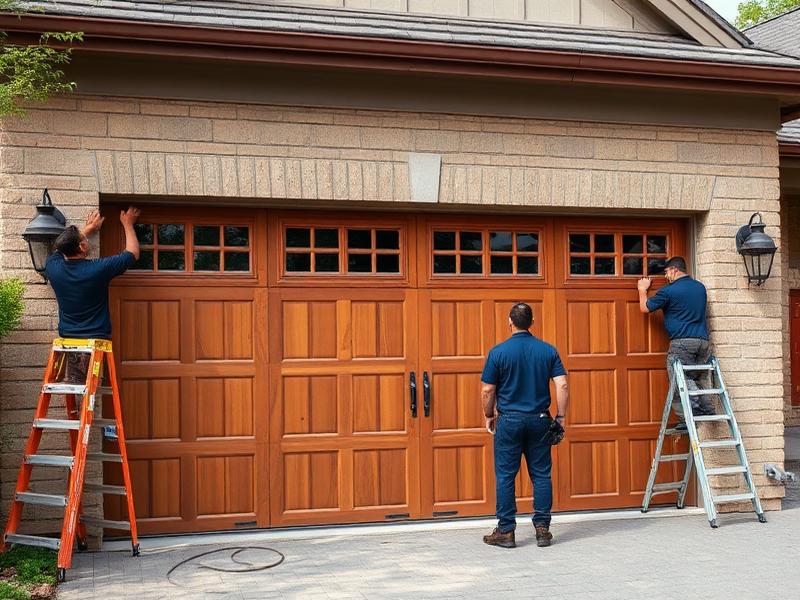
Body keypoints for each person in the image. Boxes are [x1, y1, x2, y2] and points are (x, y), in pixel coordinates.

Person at [480, 302, 569, 549]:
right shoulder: (548, 351)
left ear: (510, 321)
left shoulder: (498, 352)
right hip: (540, 419)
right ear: (532, 322)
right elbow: (562, 384)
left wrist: (488, 414)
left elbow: (487, 390)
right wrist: (560, 417)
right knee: (541, 474)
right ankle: (542, 530)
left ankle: (506, 531)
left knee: (506, 475)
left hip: (509, 421)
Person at [45, 207, 141, 384]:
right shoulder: (98, 269)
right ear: (82, 247)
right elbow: (132, 253)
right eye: (84, 240)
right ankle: (82, 394)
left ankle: (78, 394)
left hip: (68, 336)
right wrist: (128, 224)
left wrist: (87, 229)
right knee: (86, 385)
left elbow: (60, 249)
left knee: (79, 383)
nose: (86, 240)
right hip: (95, 336)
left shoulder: (53, 267)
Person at [638, 256, 713, 424]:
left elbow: (645, 308)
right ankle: (708, 409)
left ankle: (688, 417)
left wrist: (642, 289)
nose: (666, 276)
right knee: (699, 377)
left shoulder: (669, 291)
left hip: (682, 343)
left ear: (674, 269)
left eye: (666, 272)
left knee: (679, 379)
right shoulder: (700, 287)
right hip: (702, 342)